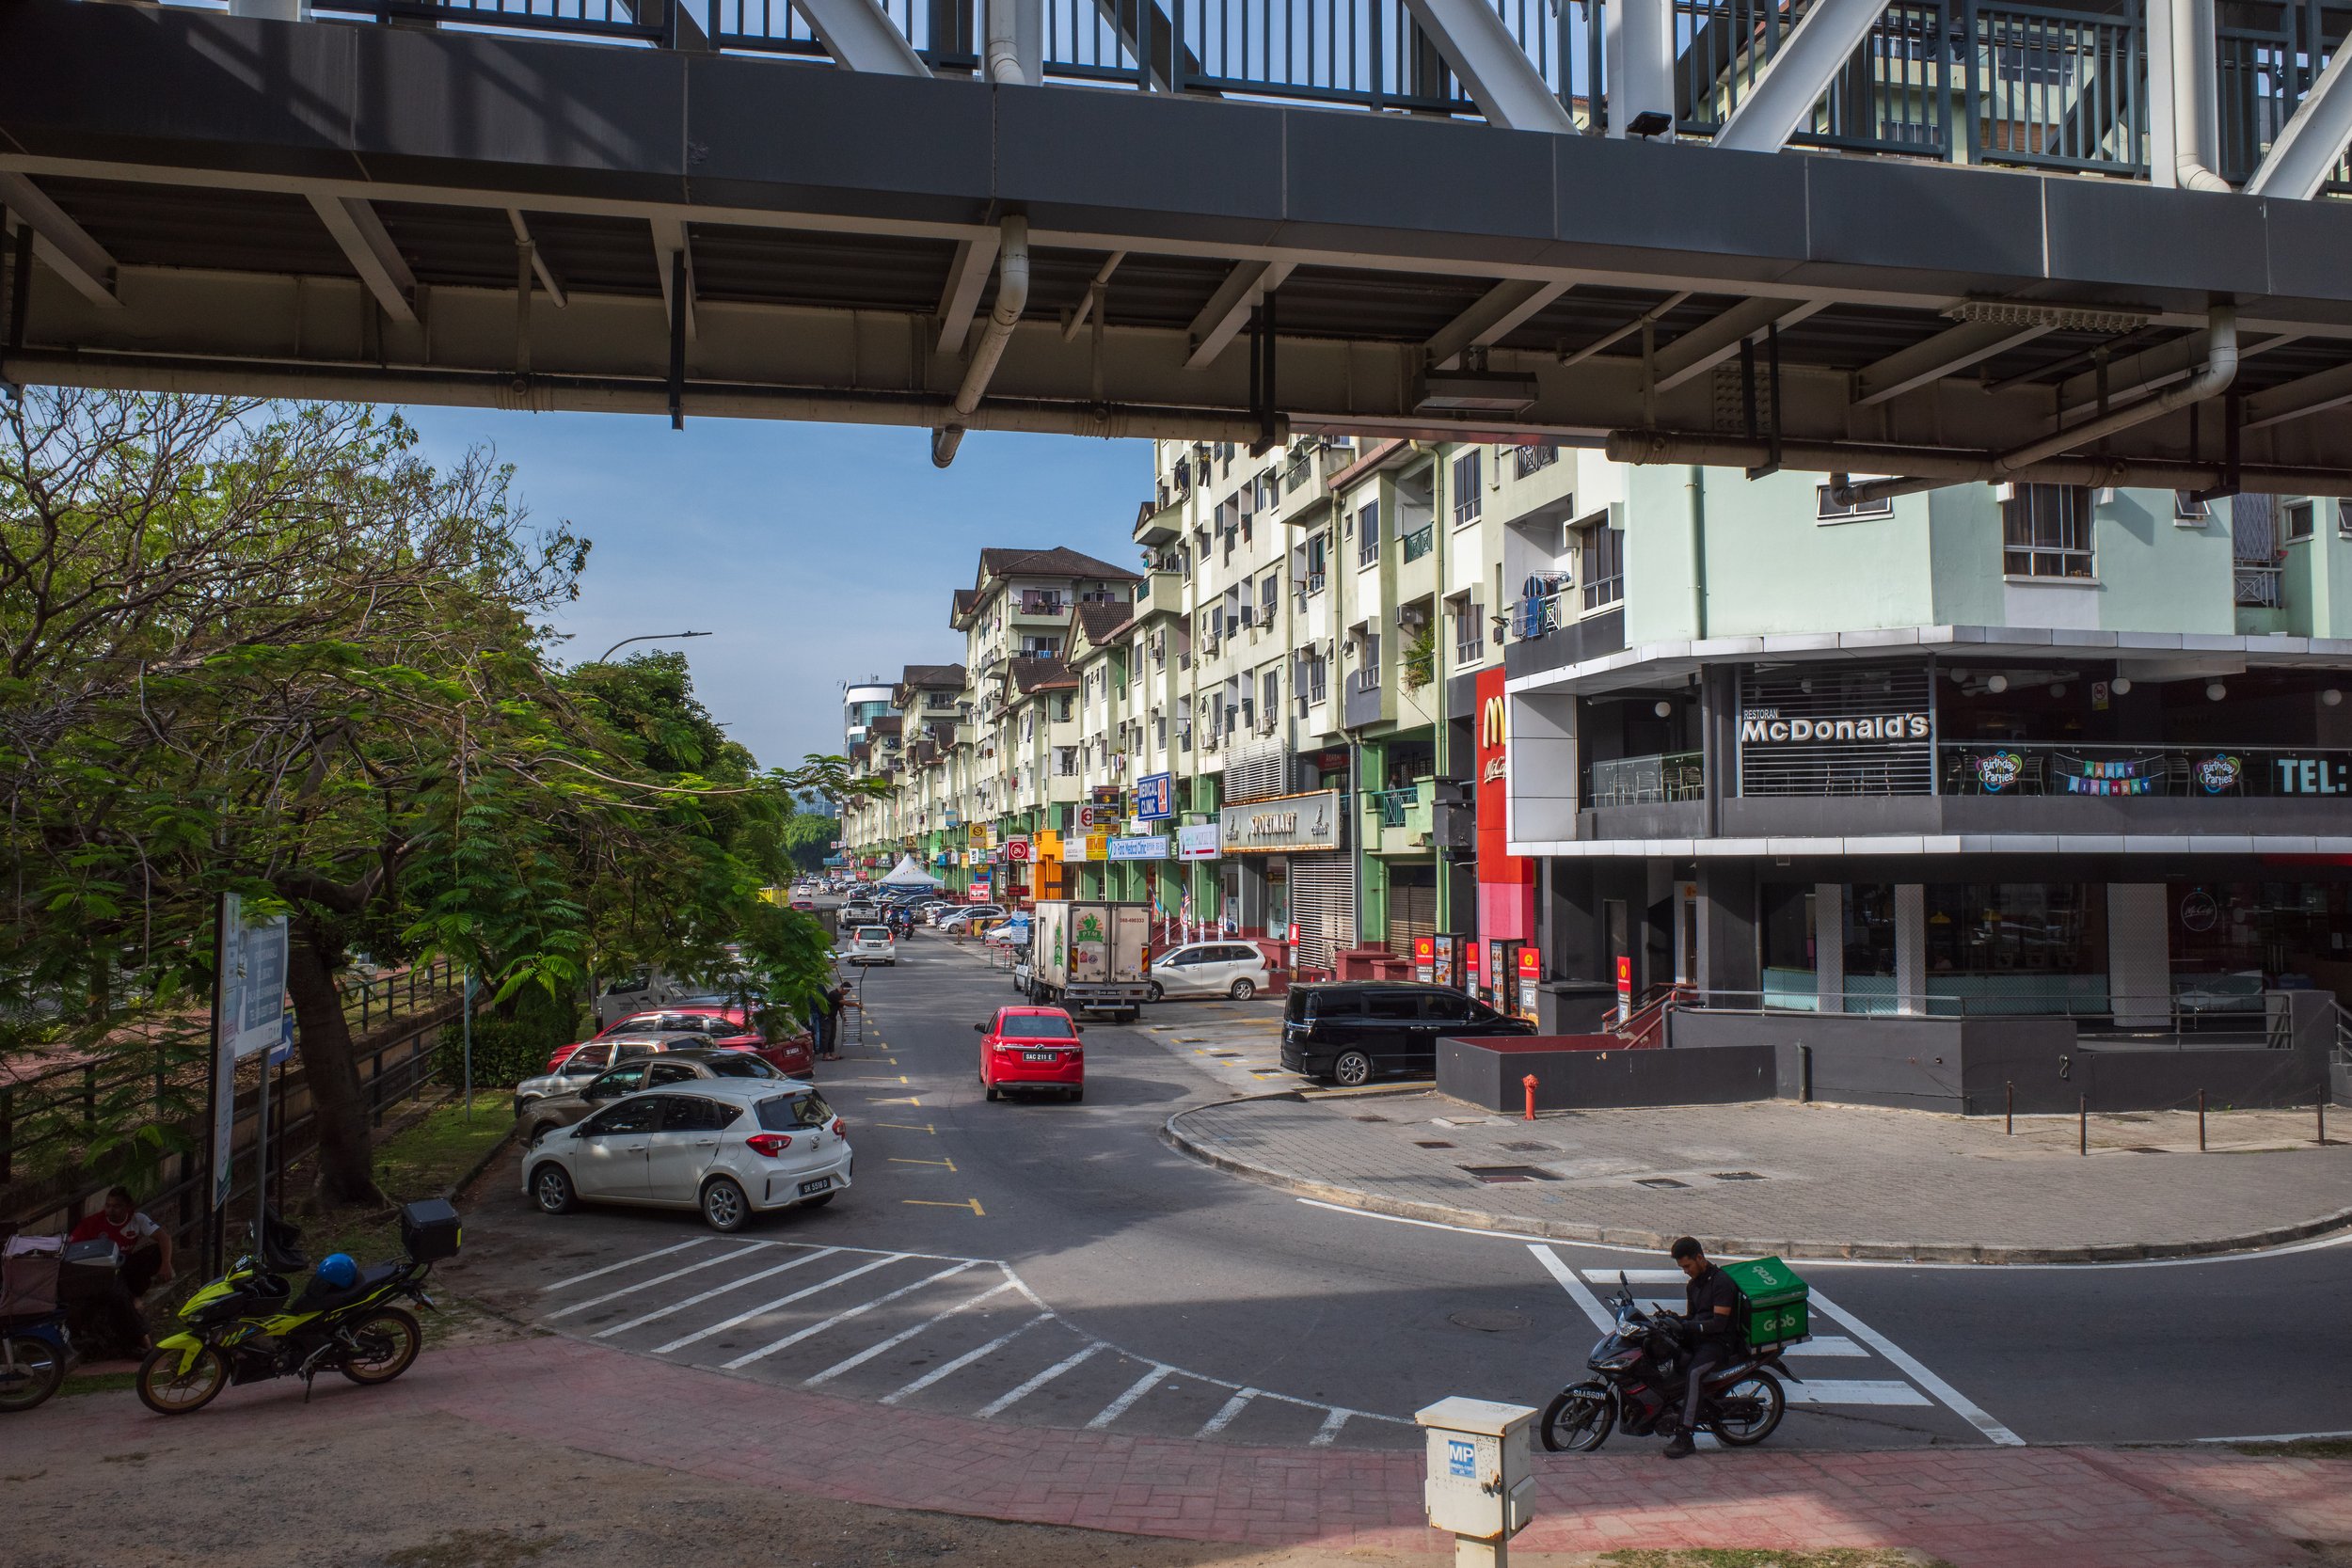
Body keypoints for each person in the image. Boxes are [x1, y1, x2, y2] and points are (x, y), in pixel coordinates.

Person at [68, 1186, 174, 1355]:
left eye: (116, 1206)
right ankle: (142, 1339)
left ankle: (135, 1294)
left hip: (123, 1265)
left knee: (156, 1253)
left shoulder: (137, 1219)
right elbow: (71, 1248)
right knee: (119, 1297)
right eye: (108, 1206)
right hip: (102, 1273)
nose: (111, 1210)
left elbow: (164, 1237)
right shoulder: (92, 1223)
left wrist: (166, 1264)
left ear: (127, 1208)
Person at [1661, 1236, 1738, 1460]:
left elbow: (1719, 1323)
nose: (1685, 1271)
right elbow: (1692, 1317)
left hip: (1719, 1343)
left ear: (1700, 1258)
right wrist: (1674, 1321)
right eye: (1681, 1267)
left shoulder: (1722, 1282)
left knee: (1694, 1373)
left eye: (1687, 1266)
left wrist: (1687, 1326)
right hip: (1700, 1338)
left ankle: (1685, 1436)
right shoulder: (1693, 1285)